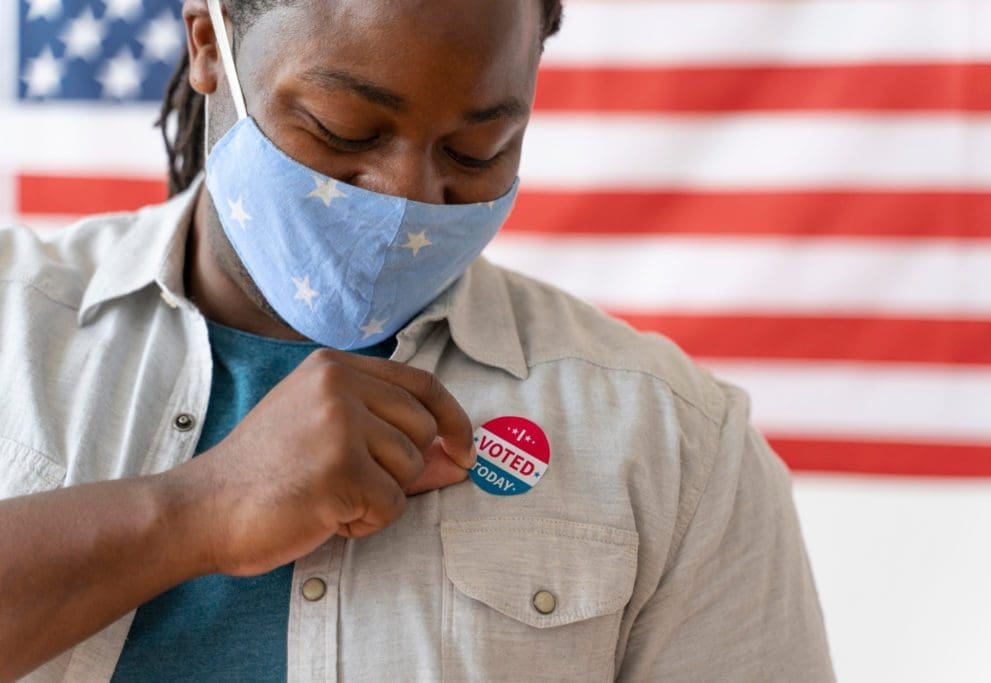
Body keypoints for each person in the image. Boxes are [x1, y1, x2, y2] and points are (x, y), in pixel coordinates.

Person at [0, 0, 834, 680]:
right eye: (342, 128)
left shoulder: (676, 445)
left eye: (478, 150)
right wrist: (198, 510)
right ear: (208, 44)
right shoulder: (14, 320)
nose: (406, 198)